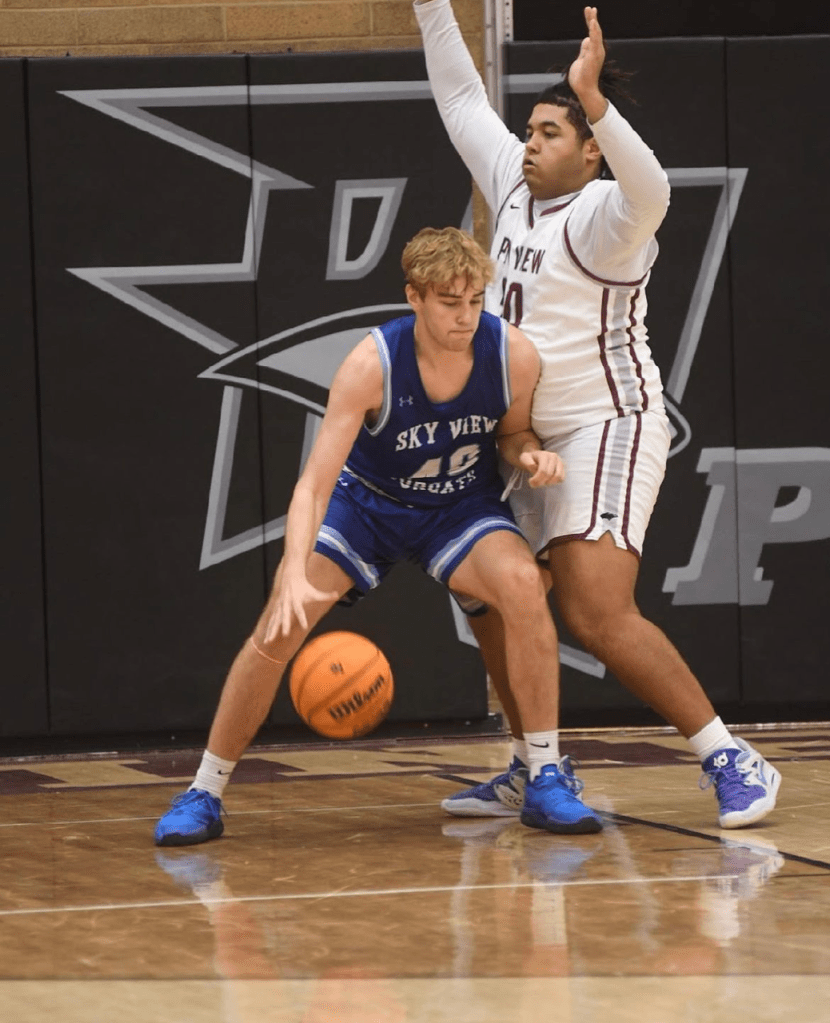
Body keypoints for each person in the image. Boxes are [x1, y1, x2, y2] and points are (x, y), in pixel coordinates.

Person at [414, 1, 781, 829]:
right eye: (532, 128)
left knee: (593, 608)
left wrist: (595, 97)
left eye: (551, 131)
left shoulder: (610, 216)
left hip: (606, 424)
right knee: (483, 592)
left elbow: (654, 187)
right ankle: (530, 760)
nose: (530, 140)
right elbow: (460, 98)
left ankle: (732, 755)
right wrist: (431, 5)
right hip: (521, 437)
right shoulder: (513, 182)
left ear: (590, 150)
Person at [154, 226, 605, 846]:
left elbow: (513, 434)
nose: (465, 316)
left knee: (525, 585)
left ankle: (546, 775)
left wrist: (531, 456)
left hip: (456, 509)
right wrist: (291, 568)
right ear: (414, 298)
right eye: (450, 302)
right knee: (279, 626)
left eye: (475, 301)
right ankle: (203, 790)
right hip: (368, 507)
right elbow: (314, 484)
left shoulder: (514, 356)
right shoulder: (371, 364)